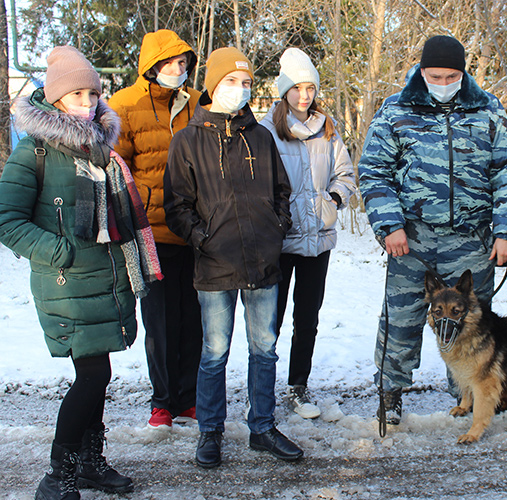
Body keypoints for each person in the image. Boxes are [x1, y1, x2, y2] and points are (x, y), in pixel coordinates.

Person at [0, 46, 161, 499]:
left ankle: (88, 464)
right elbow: (6, 219)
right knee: (93, 377)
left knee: (97, 375)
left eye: (93, 94)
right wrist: (61, 252)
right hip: (66, 283)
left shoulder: (99, 148)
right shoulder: (34, 151)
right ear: (55, 100)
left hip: (105, 280)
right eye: (77, 94)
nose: (88, 103)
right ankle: (59, 474)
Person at [358, 35, 507, 424]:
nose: (444, 81)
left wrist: (506, 231)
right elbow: (374, 171)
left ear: (463, 73)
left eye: (452, 75)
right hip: (411, 240)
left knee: (470, 325)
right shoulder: (396, 109)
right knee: (400, 320)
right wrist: (389, 225)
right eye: (435, 75)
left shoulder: (487, 111)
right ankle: (390, 393)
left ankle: (467, 394)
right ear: (421, 71)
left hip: (471, 240)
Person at [163, 47, 302, 468]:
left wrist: (275, 230)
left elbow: (282, 192)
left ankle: (262, 427)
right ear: (212, 85)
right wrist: (204, 239)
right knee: (214, 351)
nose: (239, 90)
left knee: (265, 349)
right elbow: (177, 205)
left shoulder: (259, 135)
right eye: (230, 82)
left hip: (263, 262)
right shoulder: (187, 139)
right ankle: (210, 431)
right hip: (215, 263)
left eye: (245, 84)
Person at [108, 29, 204, 429]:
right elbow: (118, 168)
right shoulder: (124, 104)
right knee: (160, 321)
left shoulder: (199, 102)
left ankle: (189, 398)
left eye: (183, 63)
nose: (178, 70)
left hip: (197, 228)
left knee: (193, 319)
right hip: (152, 231)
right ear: (152, 67)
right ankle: (162, 401)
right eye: (170, 63)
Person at [259, 48, 357, 419]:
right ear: (284, 90)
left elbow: (345, 174)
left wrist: (332, 199)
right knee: (271, 318)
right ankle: (262, 387)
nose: (304, 95)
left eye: (310, 88)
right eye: (297, 88)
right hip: (280, 241)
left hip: (318, 238)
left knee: (308, 317)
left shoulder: (326, 128)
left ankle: (298, 386)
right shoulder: (266, 131)